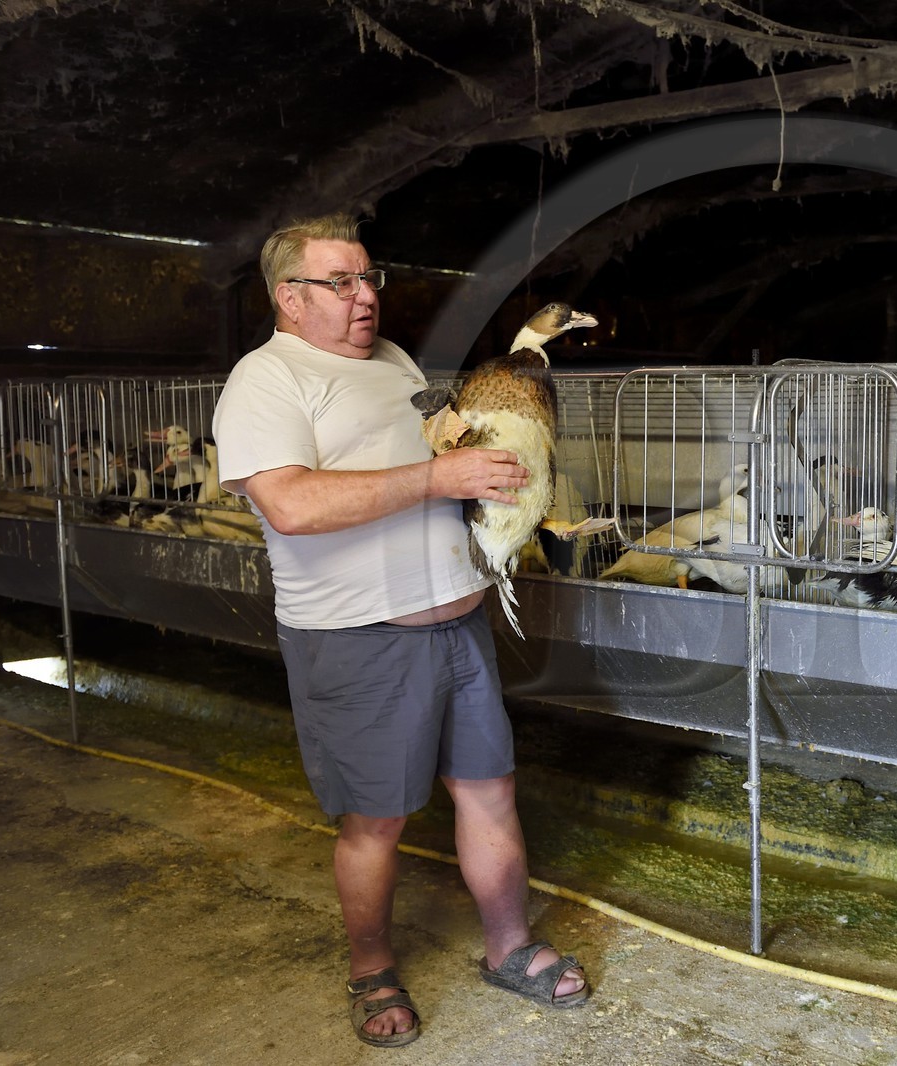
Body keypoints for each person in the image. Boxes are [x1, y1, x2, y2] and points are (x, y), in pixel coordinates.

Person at [211, 213, 590, 1049]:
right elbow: (293, 504)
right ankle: (372, 966)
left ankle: (509, 946)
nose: (365, 297)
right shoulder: (266, 381)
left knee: (490, 789)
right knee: (376, 818)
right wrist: (440, 474)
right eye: (340, 282)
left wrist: (496, 482)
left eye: (369, 277)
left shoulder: (390, 364)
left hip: (458, 623)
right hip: (358, 635)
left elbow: (439, 460)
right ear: (289, 298)